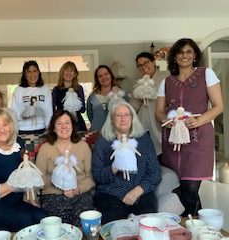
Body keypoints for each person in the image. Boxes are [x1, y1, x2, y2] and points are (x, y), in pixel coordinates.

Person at [155, 38, 223, 216]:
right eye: (180, 52)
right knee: (181, 188)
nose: (184, 55)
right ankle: (196, 225)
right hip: (173, 141)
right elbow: (159, 113)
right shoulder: (166, 82)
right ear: (174, 57)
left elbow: (218, 106)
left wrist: (199, 121)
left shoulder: (206, 74)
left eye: (188, 52)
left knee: (191, 187)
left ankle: (190, 224)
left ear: (194, 56)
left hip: (198, 140)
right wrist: (168, 121)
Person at [92, 98, 161, 224]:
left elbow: (155, 173)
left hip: (140, 191)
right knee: (115, 223)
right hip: (110, 193)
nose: (123, 119)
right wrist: (113, 168)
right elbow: (97, 174)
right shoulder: (103, 142)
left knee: (147, 222)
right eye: (118, 115)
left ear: (132, 118)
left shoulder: (143, 140)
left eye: (126, 115)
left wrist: (138, 191)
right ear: (112, 119)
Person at [36, 109, 95, 226]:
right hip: (52, 195)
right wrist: (59, 183)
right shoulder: (45, 148)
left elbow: (91, 177)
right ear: (53, 128)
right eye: (59, 123)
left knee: (83, 216)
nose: (64, 126)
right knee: (59, 220)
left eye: (67, 123)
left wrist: (77, 189)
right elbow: (38, 178)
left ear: (72, 127)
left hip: (80, 194)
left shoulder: (83, 146)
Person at [130, 52, 170, 162]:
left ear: (153, 62)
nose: (144, 67)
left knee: (163, 157)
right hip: (143, 126)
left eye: (146, 63)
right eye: (140, 65)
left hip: (160, 124)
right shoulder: (137, 84)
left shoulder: (165, 77)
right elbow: (132, 108)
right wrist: (139, 99)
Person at [11, 60, 53, 135]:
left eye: (34, 71)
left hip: (41, 129)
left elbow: (49, 111)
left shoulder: (45, 89)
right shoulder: (18, 90)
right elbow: (14, 111)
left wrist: (49, 129)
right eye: (29, 72)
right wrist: (15, 130)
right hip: (22, 129)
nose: (32, 75)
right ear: (25, 74)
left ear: (38, 73)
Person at [87, 65, 129, 132]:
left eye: (106, 74)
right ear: (97, 79)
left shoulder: (121, 94)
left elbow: (128, 113)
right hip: (97, 133)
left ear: (111, 75)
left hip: (116, 133)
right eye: (100, 76)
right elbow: (90, 115)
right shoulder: (92, 96)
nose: (104, 77)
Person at [52, 61, 87, 131]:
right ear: (62, 73)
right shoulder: (56, 90)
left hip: (78, 124)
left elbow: (82, 110)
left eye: (71, 70)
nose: (69, 73)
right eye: (66, 70)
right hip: (62, 123)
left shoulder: (79, 88)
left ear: (75, 74)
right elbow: (52, 110)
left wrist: (73, 101)